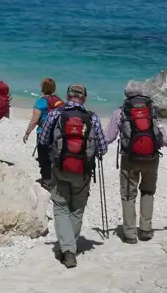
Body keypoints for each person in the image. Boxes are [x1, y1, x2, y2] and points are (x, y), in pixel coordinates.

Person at [39, 84, 108, 269]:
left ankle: (67, 250)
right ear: (84, 99)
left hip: (60, 169)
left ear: (68, 97)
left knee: (61, 207)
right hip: (83, 171)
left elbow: (44, 139)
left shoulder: (56, 114)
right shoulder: (92, 118)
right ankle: (70, 248)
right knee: (76, 210)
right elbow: (103, 148)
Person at [105, 80, 167, 244]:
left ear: (126, 94)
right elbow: (162, 134)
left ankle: (130, 234)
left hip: (129, 159)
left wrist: (95, 145)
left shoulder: (120, 112)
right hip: (151, 159)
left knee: (128, 195)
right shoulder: (152, 111)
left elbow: (109, 137)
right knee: (148, 192)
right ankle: (145, 230)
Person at [23, 77, 64, 188]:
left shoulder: (40, 102)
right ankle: (55, 178)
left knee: (44, 157)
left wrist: (27, 132)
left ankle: (46, 181)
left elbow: (35, 120)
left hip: (43, 132)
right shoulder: (58, 100)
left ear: (42, 88)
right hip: (57, 132)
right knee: (54, 155)